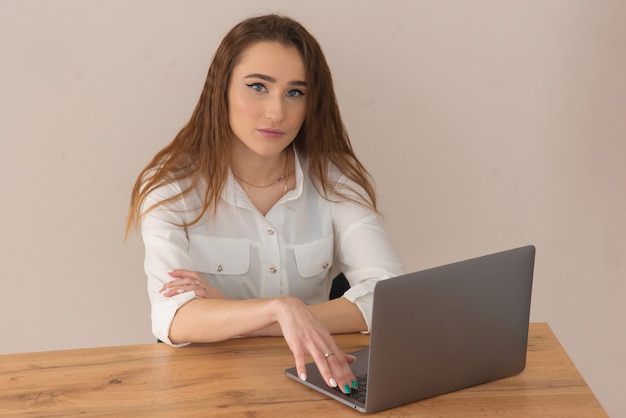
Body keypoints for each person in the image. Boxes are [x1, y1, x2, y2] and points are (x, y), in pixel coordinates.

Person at [126, 14, 404, 396]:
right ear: (220, 89)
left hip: (312, 381)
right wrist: (280, 308)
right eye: (258, 87)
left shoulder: (334, 179)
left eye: (295, 93)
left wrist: (271, 316)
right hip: (205, 389)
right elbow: (173, 317)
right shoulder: (171, 187)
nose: (277, 112)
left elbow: (390, 297)